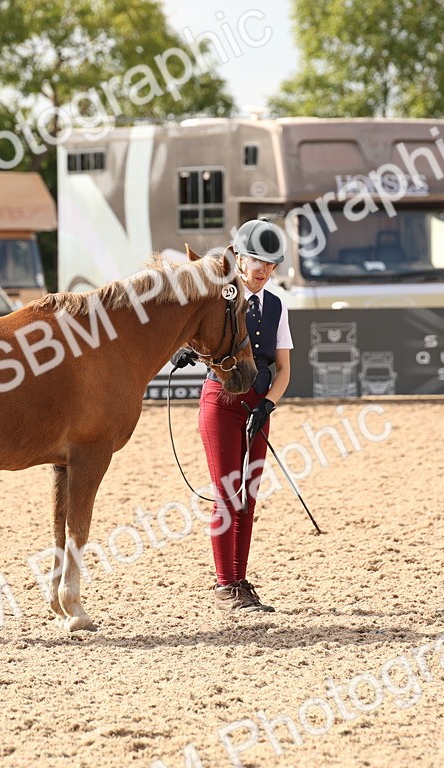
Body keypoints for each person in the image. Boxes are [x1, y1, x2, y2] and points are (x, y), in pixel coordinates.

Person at [197, 219, 293, 612]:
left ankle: (239, 581)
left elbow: (284, 368)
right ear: (238, 257)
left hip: (258, 406)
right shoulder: (217, 295)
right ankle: (225, 585)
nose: (263, 270)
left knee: (248, 497)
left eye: (270, 264)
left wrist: (268, 404)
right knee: (226, 494)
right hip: (221, 403)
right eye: (256, 260)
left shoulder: (276, 305)